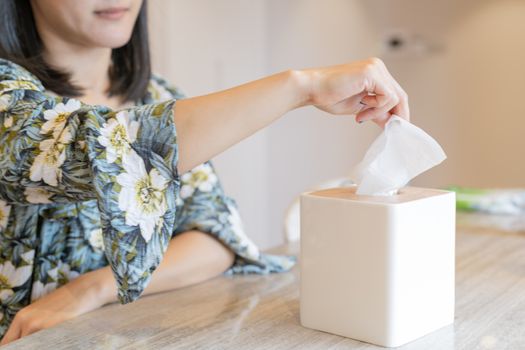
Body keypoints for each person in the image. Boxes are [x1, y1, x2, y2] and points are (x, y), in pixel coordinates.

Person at [0, 0, 409, 344]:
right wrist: (300, 87)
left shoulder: (158, 96)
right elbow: (93, 149)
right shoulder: (9, 93)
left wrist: (90, 290)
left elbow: (215, 235)